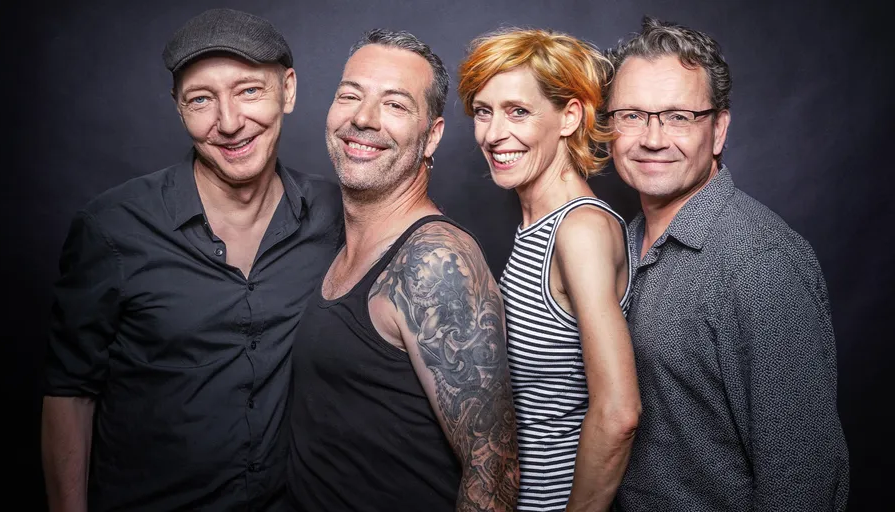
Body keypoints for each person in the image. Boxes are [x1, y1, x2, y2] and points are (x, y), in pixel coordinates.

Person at [40, 8, 343, 511]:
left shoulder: (334, 217)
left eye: (249, 90)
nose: (229, 123)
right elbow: (70, 392)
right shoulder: (113, 227)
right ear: (179, 109)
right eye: (201, 100)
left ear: (288, 90)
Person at [604, 16, 849, 511]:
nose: (652, 138)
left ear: (718, 129)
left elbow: (804, 477)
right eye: (632, 115)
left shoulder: (760, 262)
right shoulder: (618, 244)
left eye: (678, 116)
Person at [285, 29, 520, 511]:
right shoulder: (337, 241)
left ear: (431, 135)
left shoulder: (435, 263)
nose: (363, 119)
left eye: (394, 105)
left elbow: (493, 474)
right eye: (349, 95)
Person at [458, 28, 641, 512]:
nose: (494, 134)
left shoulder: (579, 230)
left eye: (518, 111)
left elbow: (619, 412)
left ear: (569, 117)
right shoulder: (536, 228)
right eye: (483, 111)